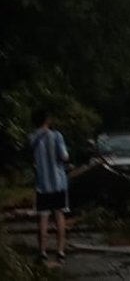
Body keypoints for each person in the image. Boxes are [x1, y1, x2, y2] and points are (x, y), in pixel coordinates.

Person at [29, 108, 70, 264]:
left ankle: (42, 251)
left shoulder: (32, 138)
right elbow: (64, 156)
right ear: (47, 120)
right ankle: (60, 251)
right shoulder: (56, 136)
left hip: (42, 184)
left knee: (42, 219)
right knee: (59, 216)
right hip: (58, 183)